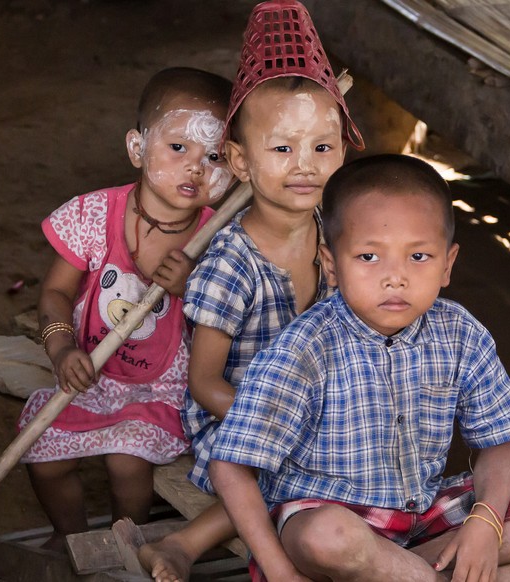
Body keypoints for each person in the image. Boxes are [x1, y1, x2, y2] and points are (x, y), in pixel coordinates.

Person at [210, 154, 510, 582]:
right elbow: (230, 466)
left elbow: (499, 443)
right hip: (334, 519)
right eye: (368, 257)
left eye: (418, 256)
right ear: (330, 264)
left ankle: (404, 573)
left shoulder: (460, 334)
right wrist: (279, 572)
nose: (395, 277)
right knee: (327, 536)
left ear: (448, 265)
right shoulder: (306, 347)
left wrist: (486, 522)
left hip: (425, 515)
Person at [136, 2, 363, 579]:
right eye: (283, 149)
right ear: (239, 160)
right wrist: (278, 423)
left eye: (322, 146)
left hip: (312, 404)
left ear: (343, 150)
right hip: (234, 416)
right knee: (285, 470)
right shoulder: (230, 267)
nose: (306, 166)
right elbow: (205, 382)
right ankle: (183, 545)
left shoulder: (331, 237)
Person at [19, 66, 233, 550]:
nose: (196, 166)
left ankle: (124, 545)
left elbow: (230, 320)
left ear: (234, 168)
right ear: (137, 148)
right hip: (90, 372)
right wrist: (60, 349)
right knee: (44, 455)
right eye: (179, 147)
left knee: (126, 460)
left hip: (164, 388)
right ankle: (70, 537)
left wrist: (192, 288)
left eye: (214, 155)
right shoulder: (92, 214)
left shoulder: (220, 240)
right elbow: (54, 294)